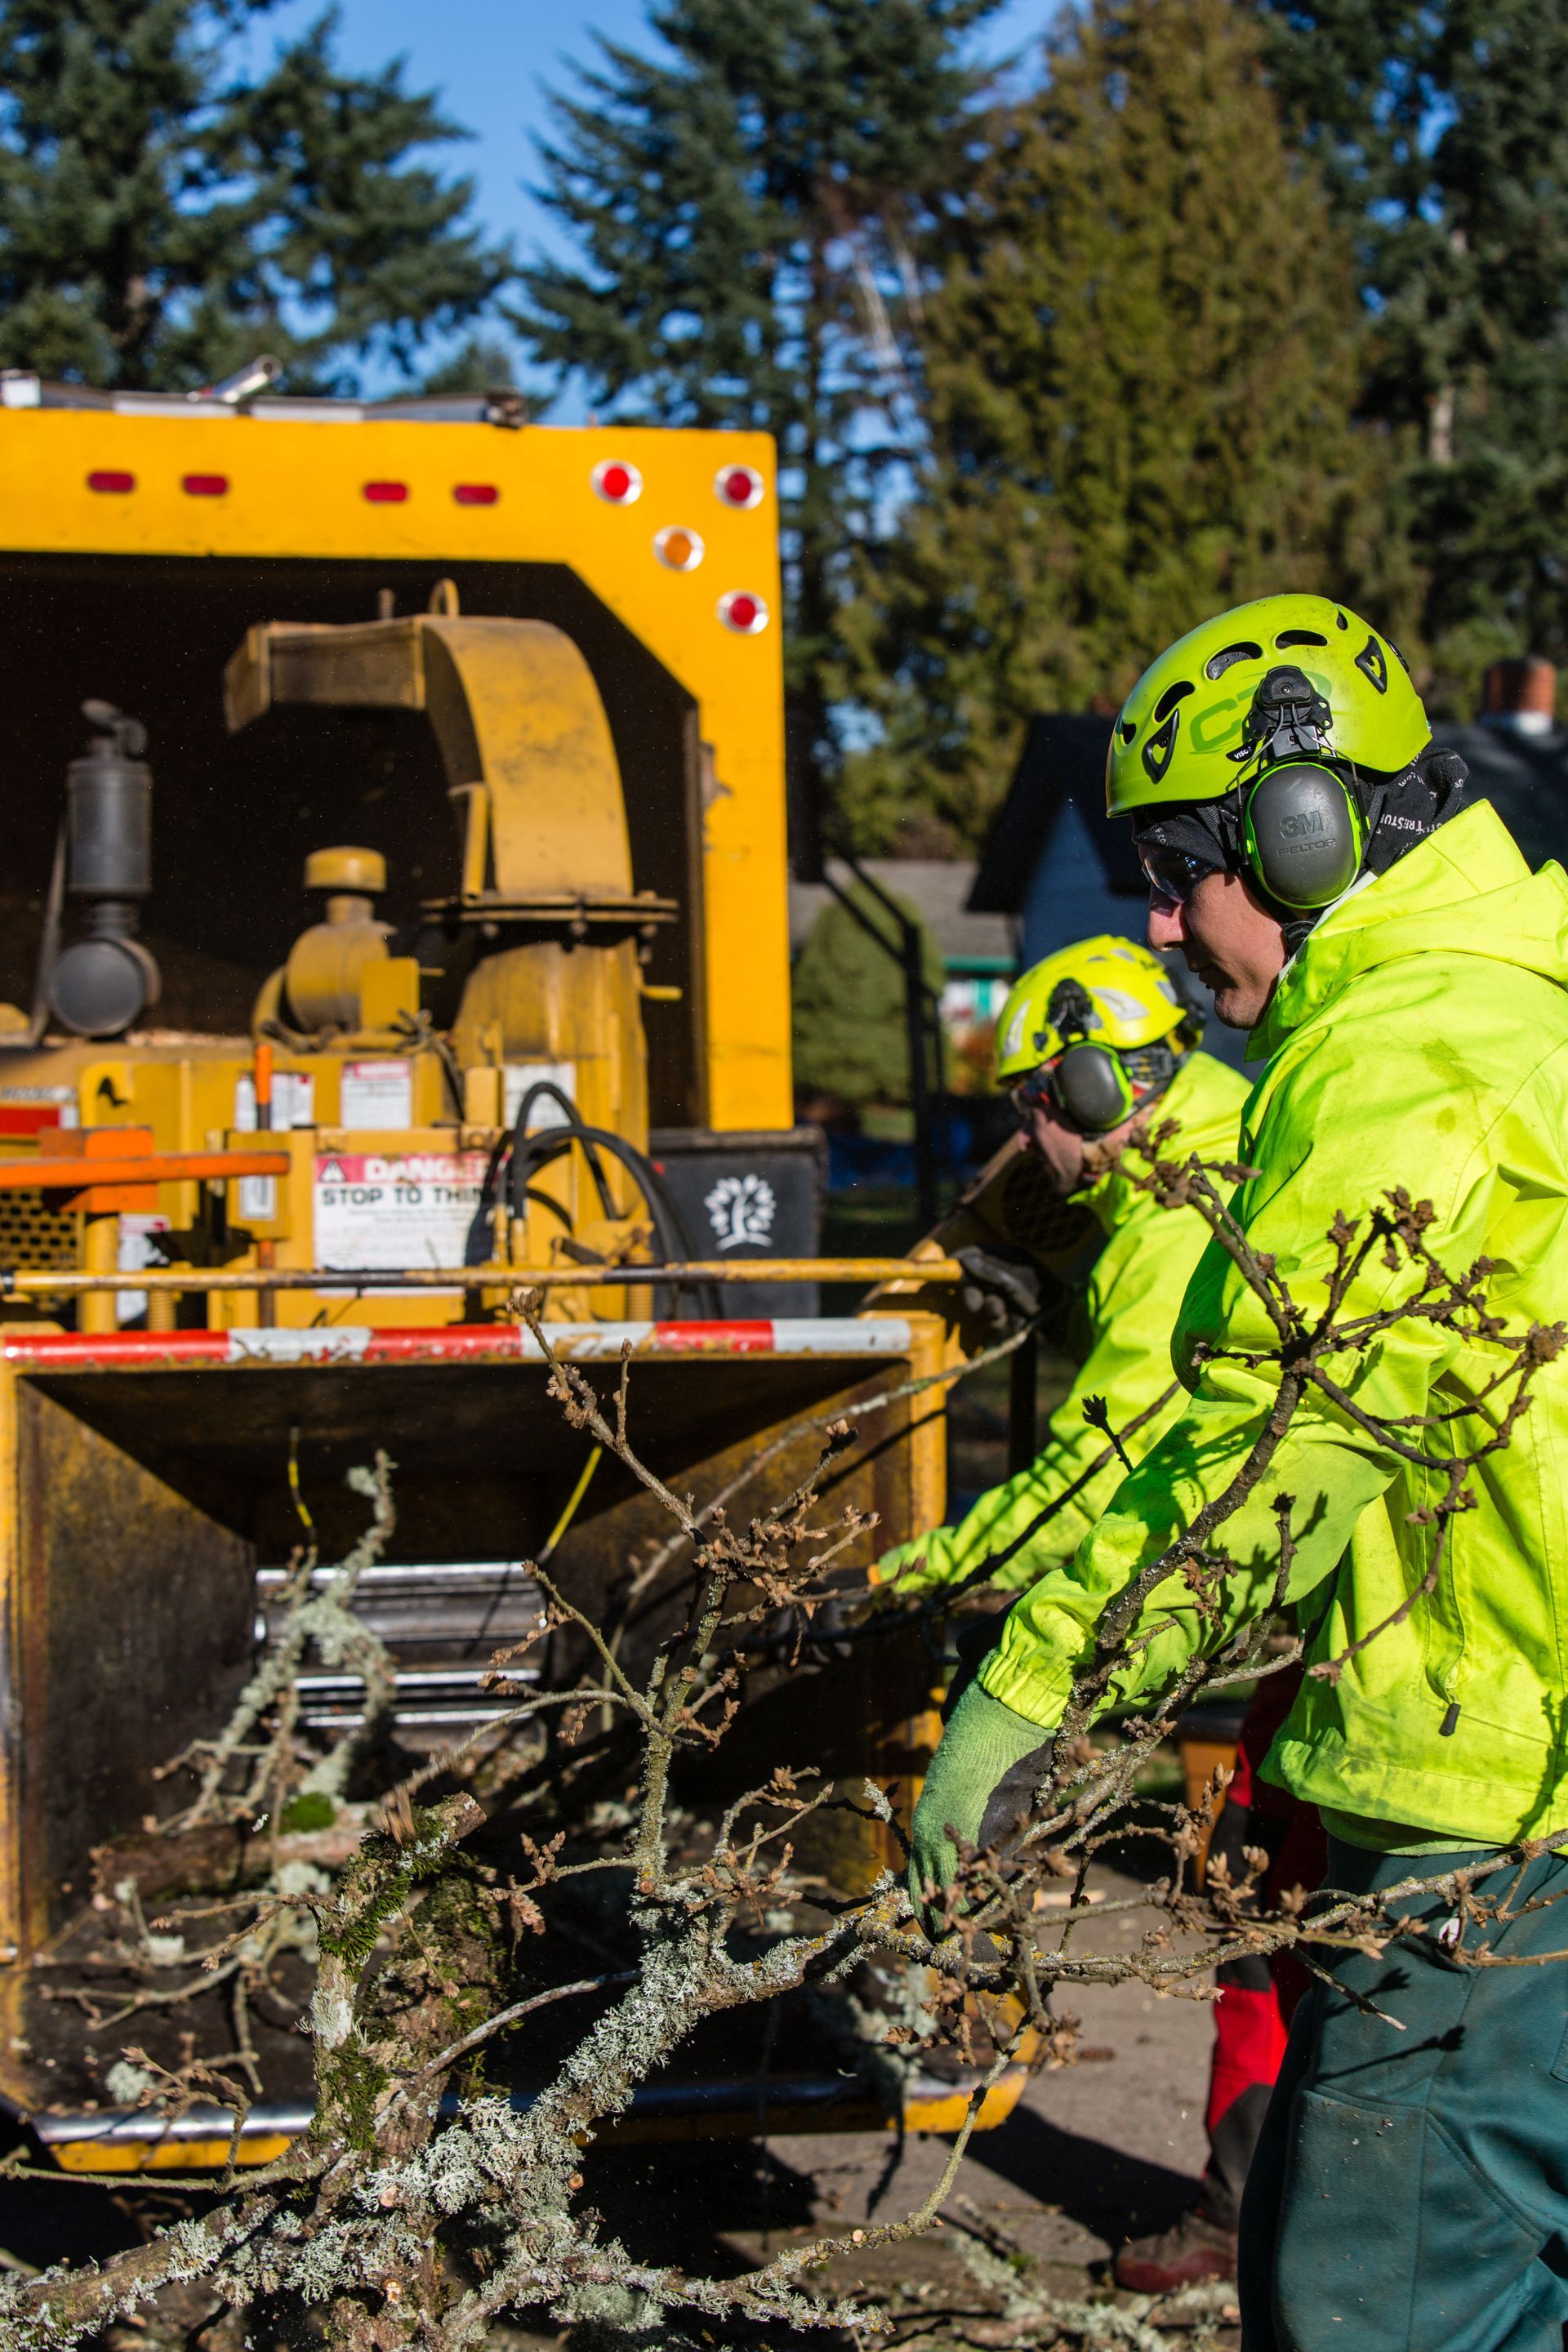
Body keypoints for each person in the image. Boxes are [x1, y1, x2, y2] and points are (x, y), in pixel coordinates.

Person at [909, 591, 1568, 2352]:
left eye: (1179, 871)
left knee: (1378, 2308)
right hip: (1525, 1771)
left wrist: (1032, 1698)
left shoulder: (1404, 1048)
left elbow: (1283, 1436)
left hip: (1503, 1808)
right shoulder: (1510, 995)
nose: (1157, 919)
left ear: (1299, 825)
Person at [877, 933, 1249, 1610]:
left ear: (1090, 1089)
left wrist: (909, 1574)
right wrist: (1070, 1320)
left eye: (1027, 1105)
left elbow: (1099, 1480)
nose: (1022, 1139)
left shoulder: (1175, 1229)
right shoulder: (1212, 1161)